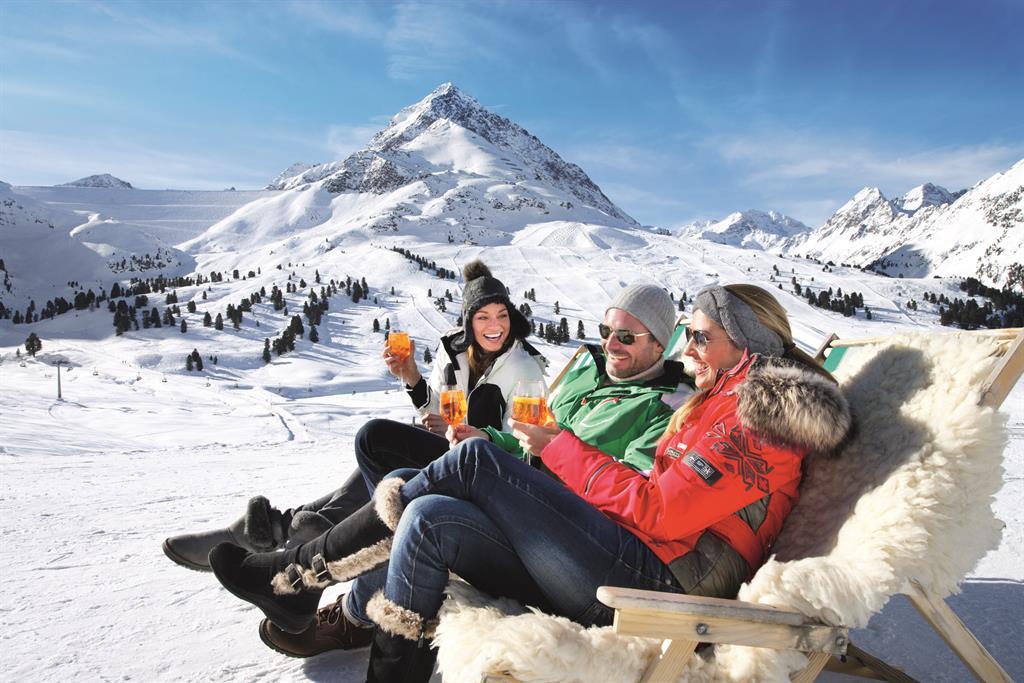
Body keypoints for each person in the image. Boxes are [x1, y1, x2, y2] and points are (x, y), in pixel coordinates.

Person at [211, 282, 691, 659]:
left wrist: (525, 463)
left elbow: (627, 498)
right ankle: (330, 579)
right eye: (607, 330)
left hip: (561, 526)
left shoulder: (666, 406)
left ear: (660, 344)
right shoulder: (587, 371)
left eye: (627, 337)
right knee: (381, 444)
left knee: (429, 491)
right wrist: (492, 438)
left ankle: (329, 595)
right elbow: (534, 434)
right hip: (510, 478)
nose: (611, 343)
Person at [162, 259, 546, 572]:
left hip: (484, 476)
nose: (495, 326)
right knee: (374, 468)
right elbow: (436, 414)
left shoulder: (526, 370)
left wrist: (481, 435)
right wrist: (411, 376)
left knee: (376, 442)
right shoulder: (454, 353)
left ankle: (279, 531)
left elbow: (530, 449)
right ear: (468, 320)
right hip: (446, 453)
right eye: (483, 317)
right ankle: (281, 530)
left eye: (502, 315)